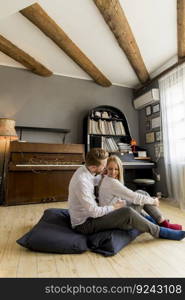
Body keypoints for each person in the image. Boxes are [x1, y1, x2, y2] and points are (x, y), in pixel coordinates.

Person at [68, 148, 185, 240]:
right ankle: (161, 231)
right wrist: (114, 207)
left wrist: (108, 175)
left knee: (140, 193)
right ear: (94, 167)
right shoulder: (81, 182)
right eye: (104, 167)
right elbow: (94, 212)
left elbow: (97, 179)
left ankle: (161, 222)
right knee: (127, 211)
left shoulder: (86, 170)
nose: (105, 170)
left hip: (91, 214)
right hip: (84, 224)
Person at [99, 155, 182, 230]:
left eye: (116, 169)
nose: (113, 172)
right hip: (119, 220)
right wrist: (153, 201)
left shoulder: (106, 179)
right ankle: (163, 223)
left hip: (114, 215)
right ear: (106, 168)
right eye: (110, 169)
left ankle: (159, 221)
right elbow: (134, 197)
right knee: (141, 195)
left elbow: (125, 197)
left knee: (141, 194)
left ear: (120, 169)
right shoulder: (112, 182)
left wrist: (148, 199)